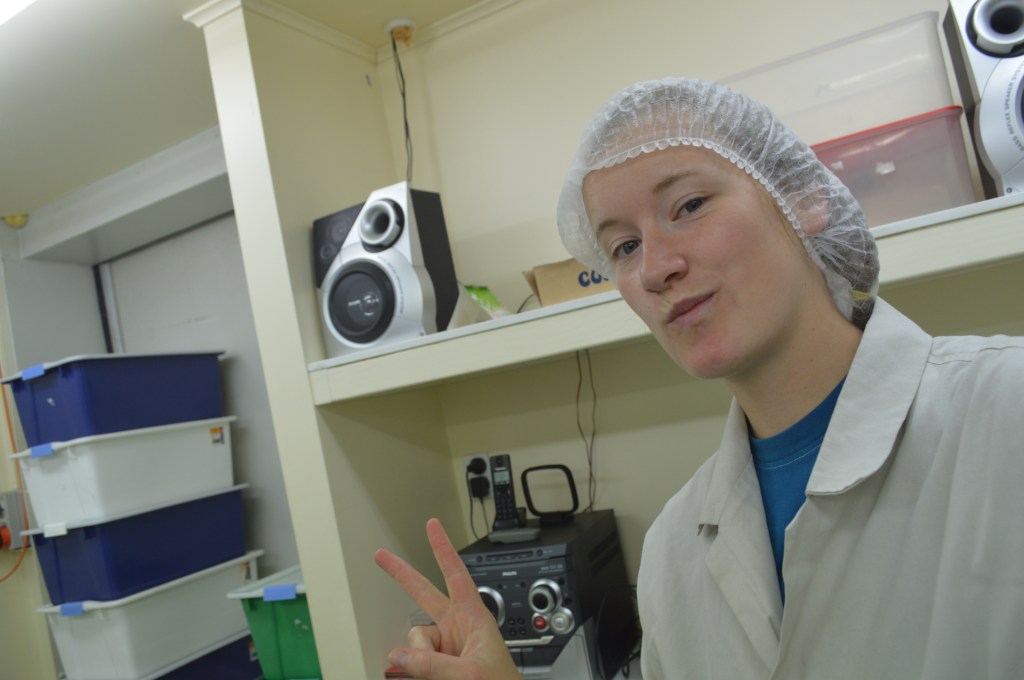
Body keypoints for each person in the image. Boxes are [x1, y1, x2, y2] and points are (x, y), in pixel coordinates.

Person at [375, 77, 1024, 679]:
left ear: (801, 195)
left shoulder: (1006, 412)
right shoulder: (672, 549)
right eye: (624, 247)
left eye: (688, 205)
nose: (654, 268)